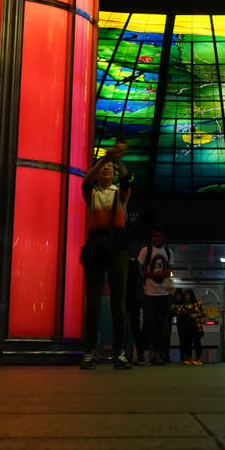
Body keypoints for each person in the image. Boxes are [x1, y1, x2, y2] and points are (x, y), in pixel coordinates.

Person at [79, 140, 133, 370]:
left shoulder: (120, 194)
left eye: (109, 169)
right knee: (92, 303)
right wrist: (104, 159)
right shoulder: (91, 194)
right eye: (103, 168)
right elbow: (85, 181)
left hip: (118, 249)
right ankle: (91, 351)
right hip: (95, 250)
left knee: (118, 304)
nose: (106, 170)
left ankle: (119, 353)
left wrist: (116, 158)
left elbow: (127, 178)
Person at [136, 228, 174, 365]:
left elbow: (170, 269)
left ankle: (156, 354)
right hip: (149, 294)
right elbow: (139, 268)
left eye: (160, 236)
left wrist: (164, 274)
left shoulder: (168, 252)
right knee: (147, 325)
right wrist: (152, 275)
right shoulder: (146, 250)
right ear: (152, 237)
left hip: (163, 294)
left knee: (161, 326)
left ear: (163, 237)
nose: (158, 238)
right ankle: (145, 354)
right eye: (155, 236)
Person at [176, 290, 207, 364]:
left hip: (196, 327)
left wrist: (194, 315)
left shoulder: (198, 304)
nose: (187, 297)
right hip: (186, 328)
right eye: (185, 295)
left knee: (197, 343)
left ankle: (198, 359)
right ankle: (188, 359)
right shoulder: (182, 305)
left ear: (191, 295)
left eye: (188, 295)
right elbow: (178, 314)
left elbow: (203, 313)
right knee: (187, 344)